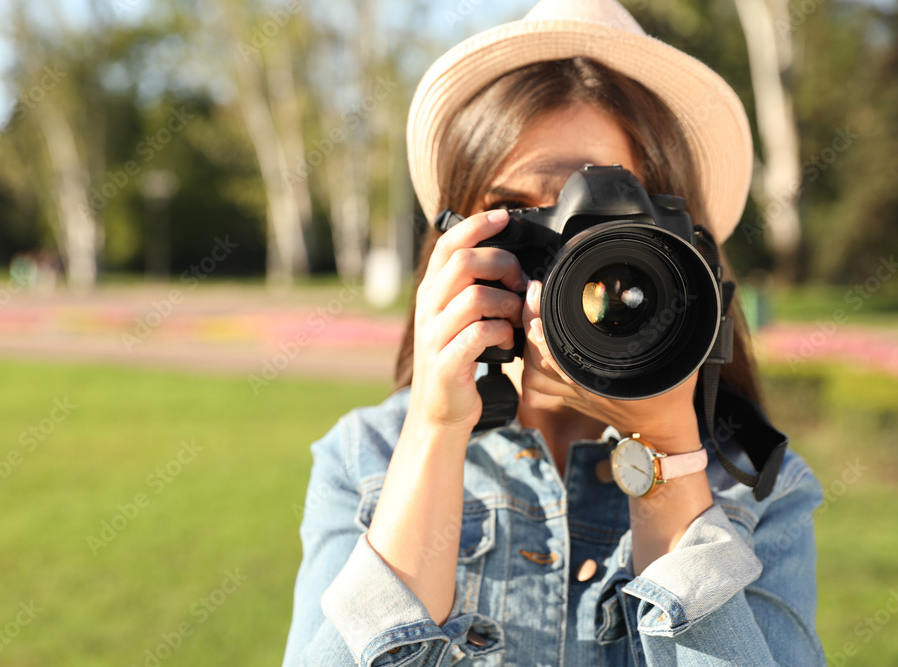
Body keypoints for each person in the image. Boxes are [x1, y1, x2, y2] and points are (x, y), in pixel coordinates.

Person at [283, 0, 824, 664]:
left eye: (605, 224)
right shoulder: (366, 459)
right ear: (453, 250)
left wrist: (668, 457)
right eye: (518, 213)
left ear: (687, 258)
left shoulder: (756, 486)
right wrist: (434, 430)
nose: (570, 261)